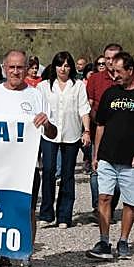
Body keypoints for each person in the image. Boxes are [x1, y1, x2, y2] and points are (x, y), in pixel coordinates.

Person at [0, 50, 56, 267]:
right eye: (11, 67)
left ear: (27, 69)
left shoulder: (36, 96)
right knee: (1, 210)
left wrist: (48, 123)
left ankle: (25, 259)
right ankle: (4, 261)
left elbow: (52, 134)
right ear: (3, 68)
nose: (15, 72)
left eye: (20, 67)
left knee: (27, 211)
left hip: (27, 165)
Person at [86, 52, 134, 261]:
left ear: (130, 70)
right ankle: (104, 240)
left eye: (118, 71)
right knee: (104, 197)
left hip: (131, 160)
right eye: (112, 71)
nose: (114, 75)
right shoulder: (109, 94)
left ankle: (124, 240)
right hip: (107, 156)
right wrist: (96, 154)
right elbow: (100, 125)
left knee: (130, 202)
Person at [37, 51, 90, 229]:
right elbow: (38, 110)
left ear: (71, 67)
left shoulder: (78, 85)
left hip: (71, 133)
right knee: (49, 171)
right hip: (48, 134)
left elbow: (84, 109)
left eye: (67, 65)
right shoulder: (43, 86)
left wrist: (87, 130)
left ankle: (64, 216)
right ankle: (46, 213)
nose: (63, 69)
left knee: (68, 175)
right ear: (55, 66)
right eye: (60, 65)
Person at [84, 43, 122, 214]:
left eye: (114, 58)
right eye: (107, 58)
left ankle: (110, 207)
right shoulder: (95, 79)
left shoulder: (128, 80)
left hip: (121, 135)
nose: (110, 62)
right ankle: (98, 207)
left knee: (120, 173)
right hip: (98, 130)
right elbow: (88, 104)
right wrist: (98, 120)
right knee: (96, 170)